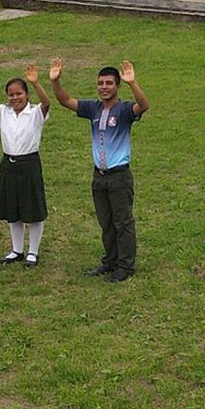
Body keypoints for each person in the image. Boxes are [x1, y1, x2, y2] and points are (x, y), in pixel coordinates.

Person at [49, 58, 149, 282]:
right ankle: (110, 261)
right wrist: (55, 82)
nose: (104, 87)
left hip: (119, 176)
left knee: (123, 222)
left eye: (109, 83)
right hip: (99, 176)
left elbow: (143, 106)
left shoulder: (123, 110)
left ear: (117, 86)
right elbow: (65, 101)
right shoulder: (92, 108)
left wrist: (133, 83)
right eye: (101, 83)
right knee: (106, 223)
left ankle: (125, 266)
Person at [0, 62, 51, 267]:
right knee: (13, 209)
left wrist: (35, 83)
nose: (15, 98)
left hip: (29, 164)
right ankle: (17, 250)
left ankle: (33, 252)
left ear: (26, 95)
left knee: (33, 210)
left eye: (19, 93)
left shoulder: (35, 113)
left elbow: (46, 103)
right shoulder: (3, 112)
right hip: (8, 164)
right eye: (11, 94)